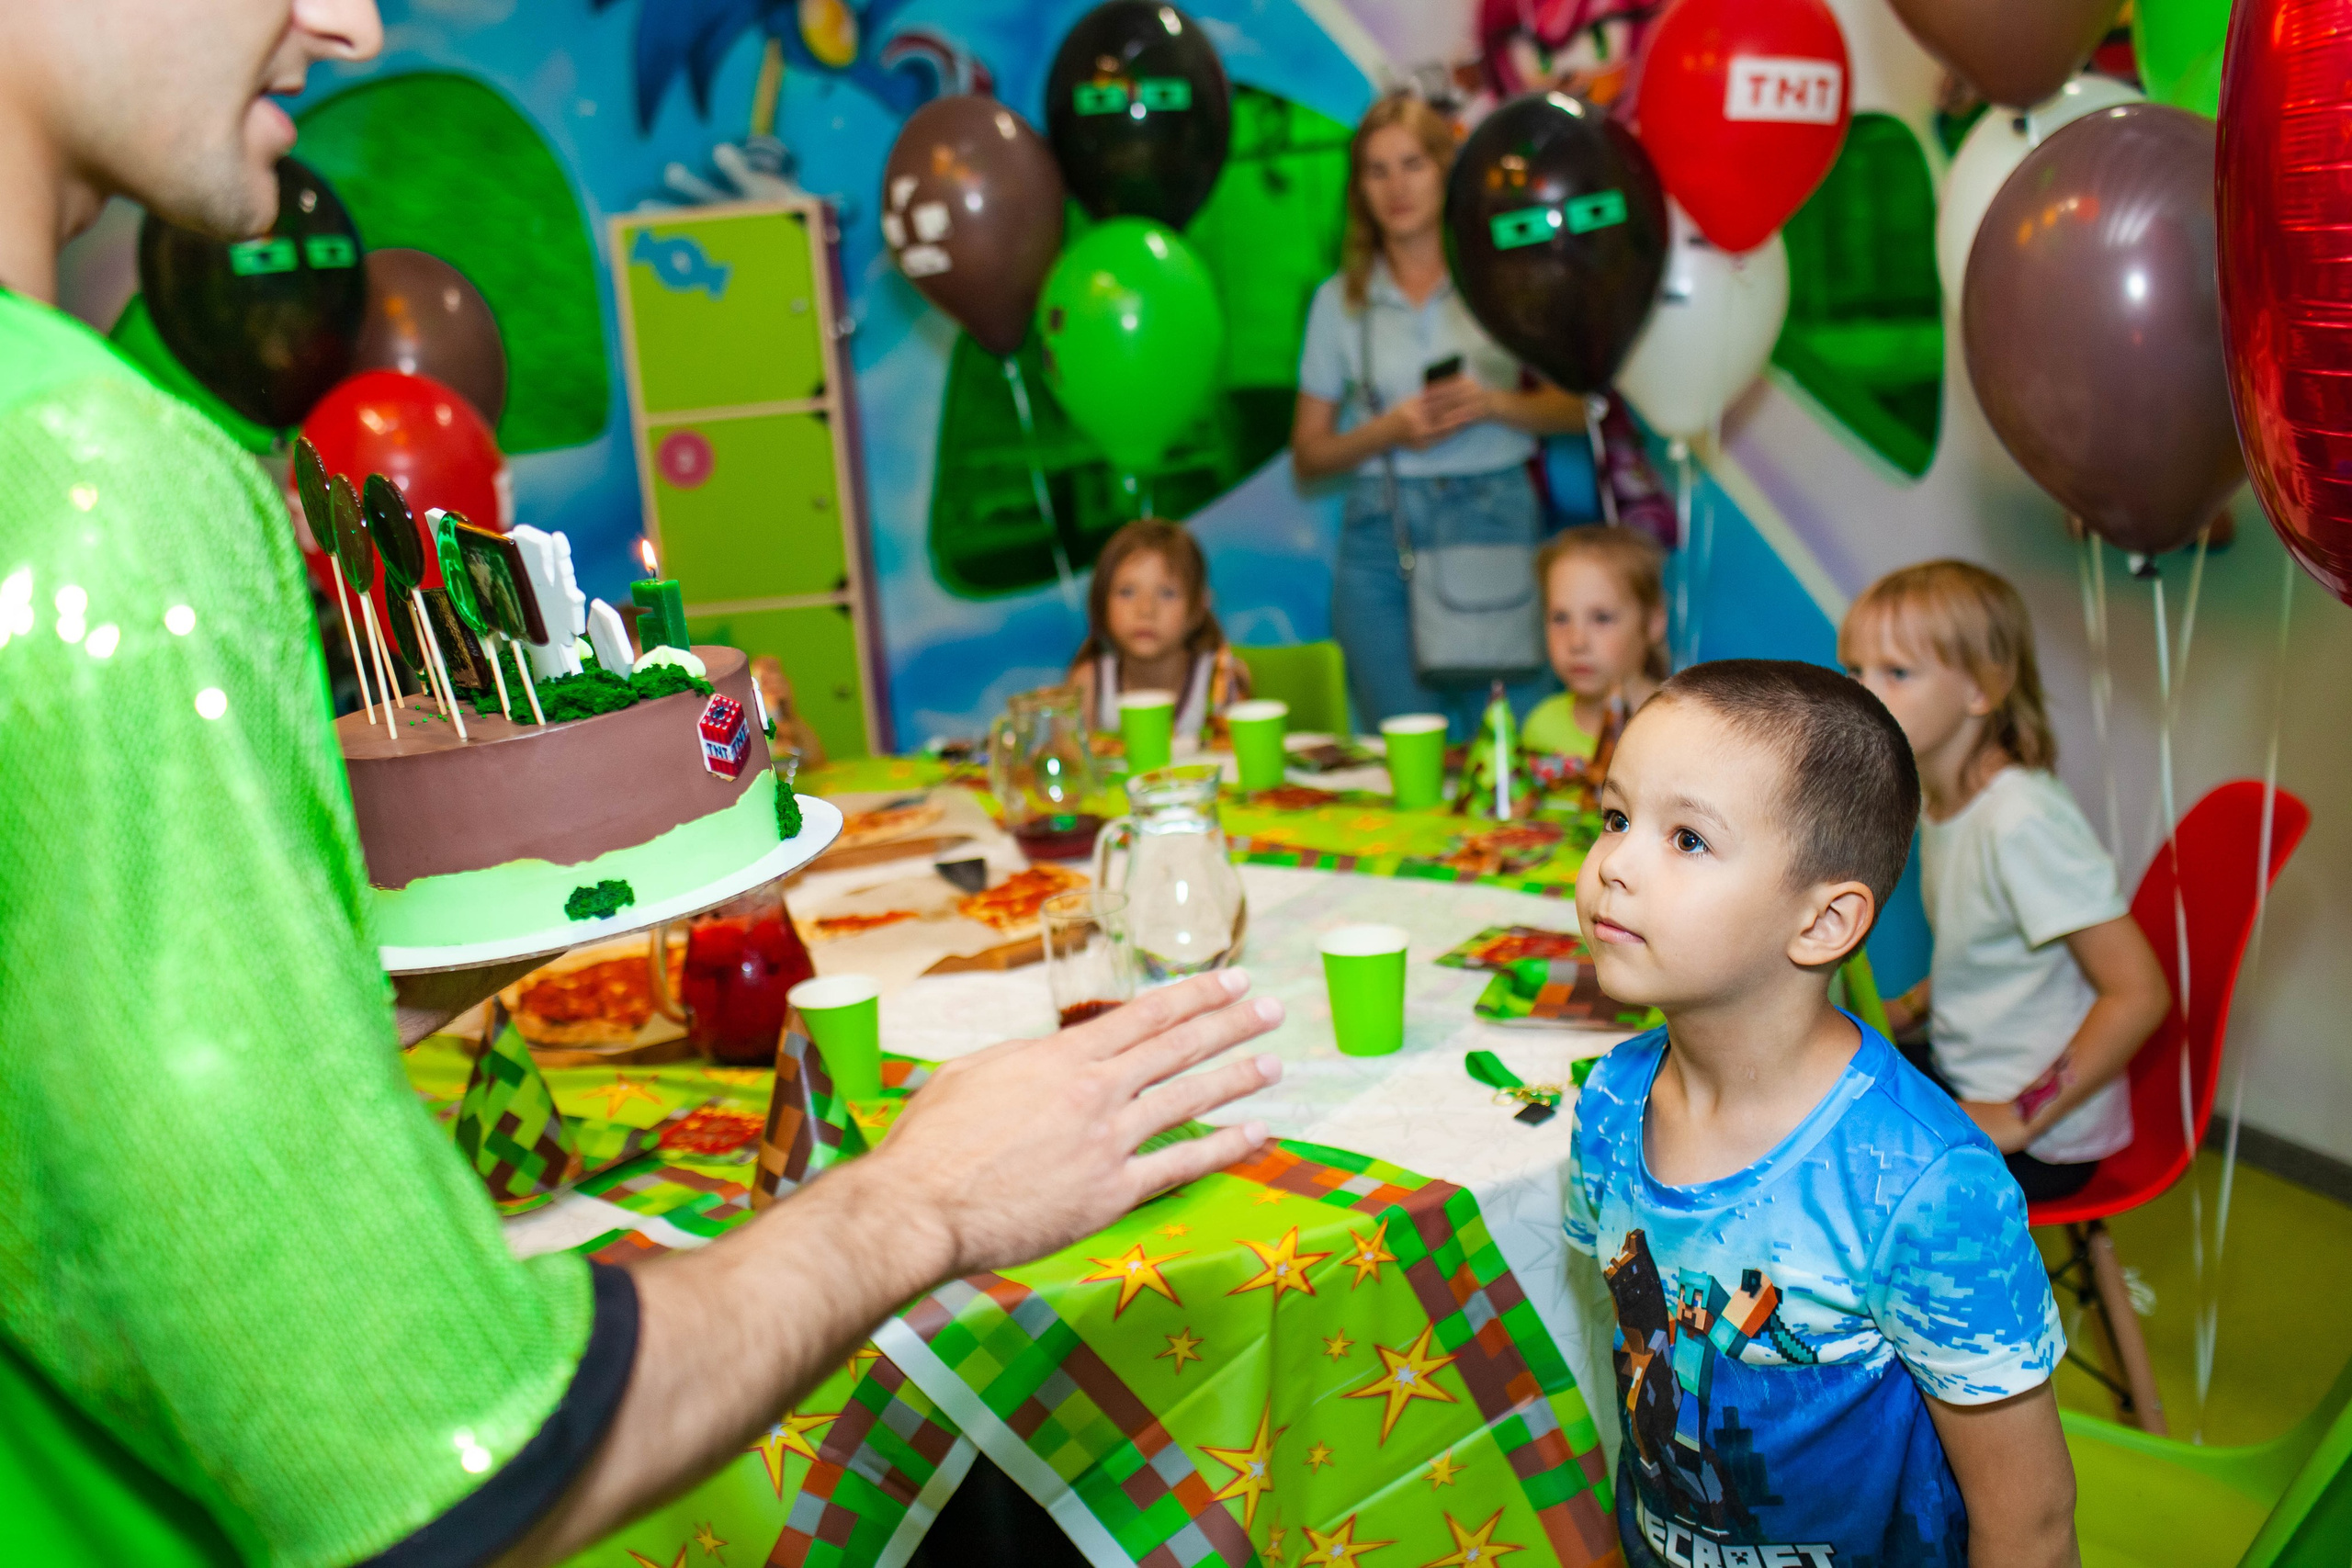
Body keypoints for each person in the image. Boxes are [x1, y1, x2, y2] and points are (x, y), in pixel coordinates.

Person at [0, 6, 1283, 1563]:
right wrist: (925, 1198)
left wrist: (489, 908)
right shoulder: (84, 489)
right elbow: (444, 1453)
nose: (351, 18)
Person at [1568, 659, 2077, 1564]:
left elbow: (2029, 1521)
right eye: (1615, 818)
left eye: (1686, 838)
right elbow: (1628, 1372)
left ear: (1824, 922)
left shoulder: (1925, 1190)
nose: (1613, 866)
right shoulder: (1609, 1100)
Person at [1842, 560, 2169, 1202]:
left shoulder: (2021, 818)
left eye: (1896, 673)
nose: (1862, 693)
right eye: (1853, 669)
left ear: (1983, 689)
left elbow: (2139, 993)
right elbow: (1994, 946)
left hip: (2045, 1134)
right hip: (1967, 1071)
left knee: (1827, 1158)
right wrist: (1910, 1008)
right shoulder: (1940, 800)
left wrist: (2020, 1115)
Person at [1291, 91, 1584, 739]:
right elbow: (1309, 456)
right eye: (1377, 169)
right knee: (1408, 752)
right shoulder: (1338, 302)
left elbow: (1584, 410)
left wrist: (1492, 403)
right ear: (1359, 187)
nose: (1397, 186)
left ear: (1448, 168)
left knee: (1510, 748)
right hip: (1378, 536)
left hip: (1493, 521)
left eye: (1413, 163)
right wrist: (1388, 430)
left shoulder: (1506, 275)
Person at [1067, 519, 1246, 745]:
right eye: (1127, 592)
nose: (1146, 610)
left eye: (1167, 593)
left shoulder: (1219, 678)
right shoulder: (1089, 685)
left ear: (1199, 608)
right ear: (1101, 603)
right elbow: (1072, 768)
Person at [1521, 525, 1668, 760]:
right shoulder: (1540, 727)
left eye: (1601, 618)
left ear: (1653, 623)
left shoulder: (1677, 729)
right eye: (1560, 618)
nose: (1577, 642)